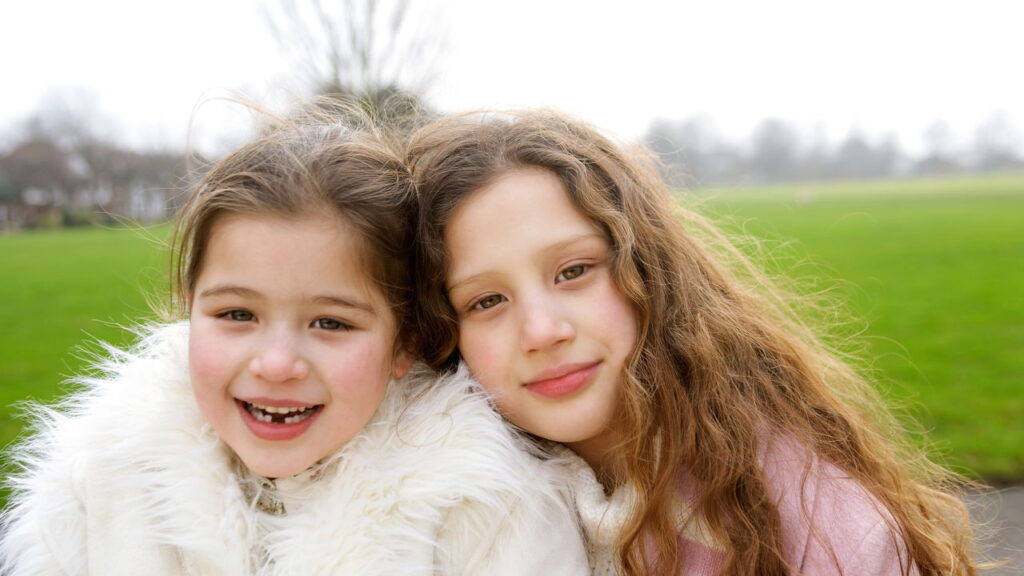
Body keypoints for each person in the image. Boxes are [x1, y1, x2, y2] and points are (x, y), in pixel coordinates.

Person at [0, 113, 590, 575]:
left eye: (331, 324)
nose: (277, 364)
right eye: (236, 313)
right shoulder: (95, 488)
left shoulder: (494, 509)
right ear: (188, 310)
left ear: (403, 343)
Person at [408, 109, 980, 576]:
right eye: (486, 302)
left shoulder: (817, 533)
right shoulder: (423, 510)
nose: (541, 331)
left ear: (650, 272)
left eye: (574, 271)